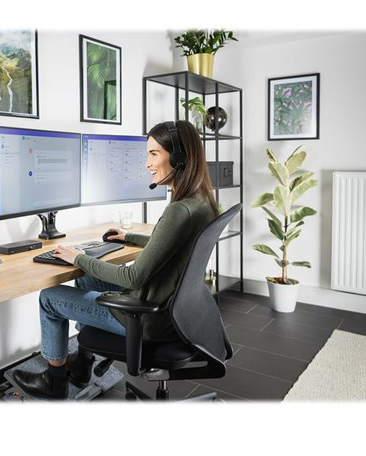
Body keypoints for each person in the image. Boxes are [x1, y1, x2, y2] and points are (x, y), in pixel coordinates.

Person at [13, 120, 219, 399]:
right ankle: (83, 362)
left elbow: (133, 277)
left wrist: (79, 257)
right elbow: (172, 245)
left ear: (179, 158)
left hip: (147, 318)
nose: (147, 163)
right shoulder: (202, 201)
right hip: (171, 310)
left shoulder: (179, 210)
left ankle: (54, 382)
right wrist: (128, 237)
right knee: (86, 277)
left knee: (49, 297)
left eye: (154, 154)